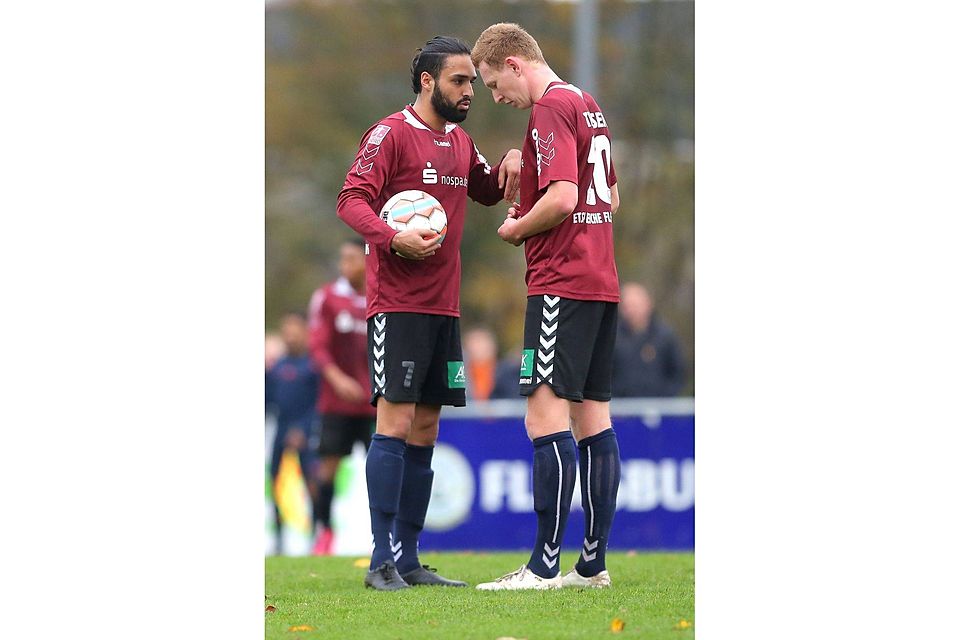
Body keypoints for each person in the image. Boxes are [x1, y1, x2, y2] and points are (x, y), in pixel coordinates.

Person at [336, 35, 521, 590]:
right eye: (458, 81)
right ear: (427, 81)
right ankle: (379, 561)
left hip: (445, 307)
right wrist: (391, 237)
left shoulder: (460, 142)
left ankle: (410, 558)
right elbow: (351, 199)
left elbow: (488, 188)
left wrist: (514, 162)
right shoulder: (391, 134)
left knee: (427, 425)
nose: (469, 92)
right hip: (398, 304)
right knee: (394, 422)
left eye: (472, 83)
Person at [471, 23, 623, 590]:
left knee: (543, 416)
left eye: (493, 84)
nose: (495, 97)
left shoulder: (550, 109)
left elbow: (562, 198)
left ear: (514, 64)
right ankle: (592, 565)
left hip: (561, 281)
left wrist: (517, 228)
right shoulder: (587, 103)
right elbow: (608, 195)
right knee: (593, 419)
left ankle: (542, 567)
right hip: (600, 278)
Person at [307, 238, 378, 555]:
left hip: (376, 401)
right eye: (342, 258)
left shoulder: (381, 294)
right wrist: (337, 380)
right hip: (337, 403)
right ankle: (324, 532)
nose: (345, 265)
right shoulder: (327, 297)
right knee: (328, 468)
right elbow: (317, 347)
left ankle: (385, 535)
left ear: (367, 259)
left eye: (351, 258)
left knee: (382, 466)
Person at [265, 312, 320, 555]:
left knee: (312, 484)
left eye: (294, 330)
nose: (290, 336)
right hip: (281, 430)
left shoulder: (313, 365)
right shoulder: (276, 366)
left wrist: (303, 429)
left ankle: (316, 535)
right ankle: (278, 538)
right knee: (275, 481)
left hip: (306, 433)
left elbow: (318, 403)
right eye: (286, 331)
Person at [612, 282, 687, 397]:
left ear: (648, 304)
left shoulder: (665, 336)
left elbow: (678, 372)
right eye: (627, 306)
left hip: (659, 405)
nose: (631, 311)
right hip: (621, 405)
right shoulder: (613, 336)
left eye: (635, 305)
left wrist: (666, 398)